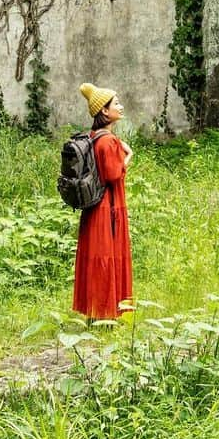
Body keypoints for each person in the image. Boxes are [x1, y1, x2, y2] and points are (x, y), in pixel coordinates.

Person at [72, 82, 133, 320]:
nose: (121, 106)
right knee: (107, 256)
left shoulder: (93, 136)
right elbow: (113, 174)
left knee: (96, 257)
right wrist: (128, 156)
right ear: (104, 111)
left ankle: (96, 312)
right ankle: (107, 314)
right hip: (107, 207)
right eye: (116, 103)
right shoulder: (108, 141)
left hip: (94, 208)